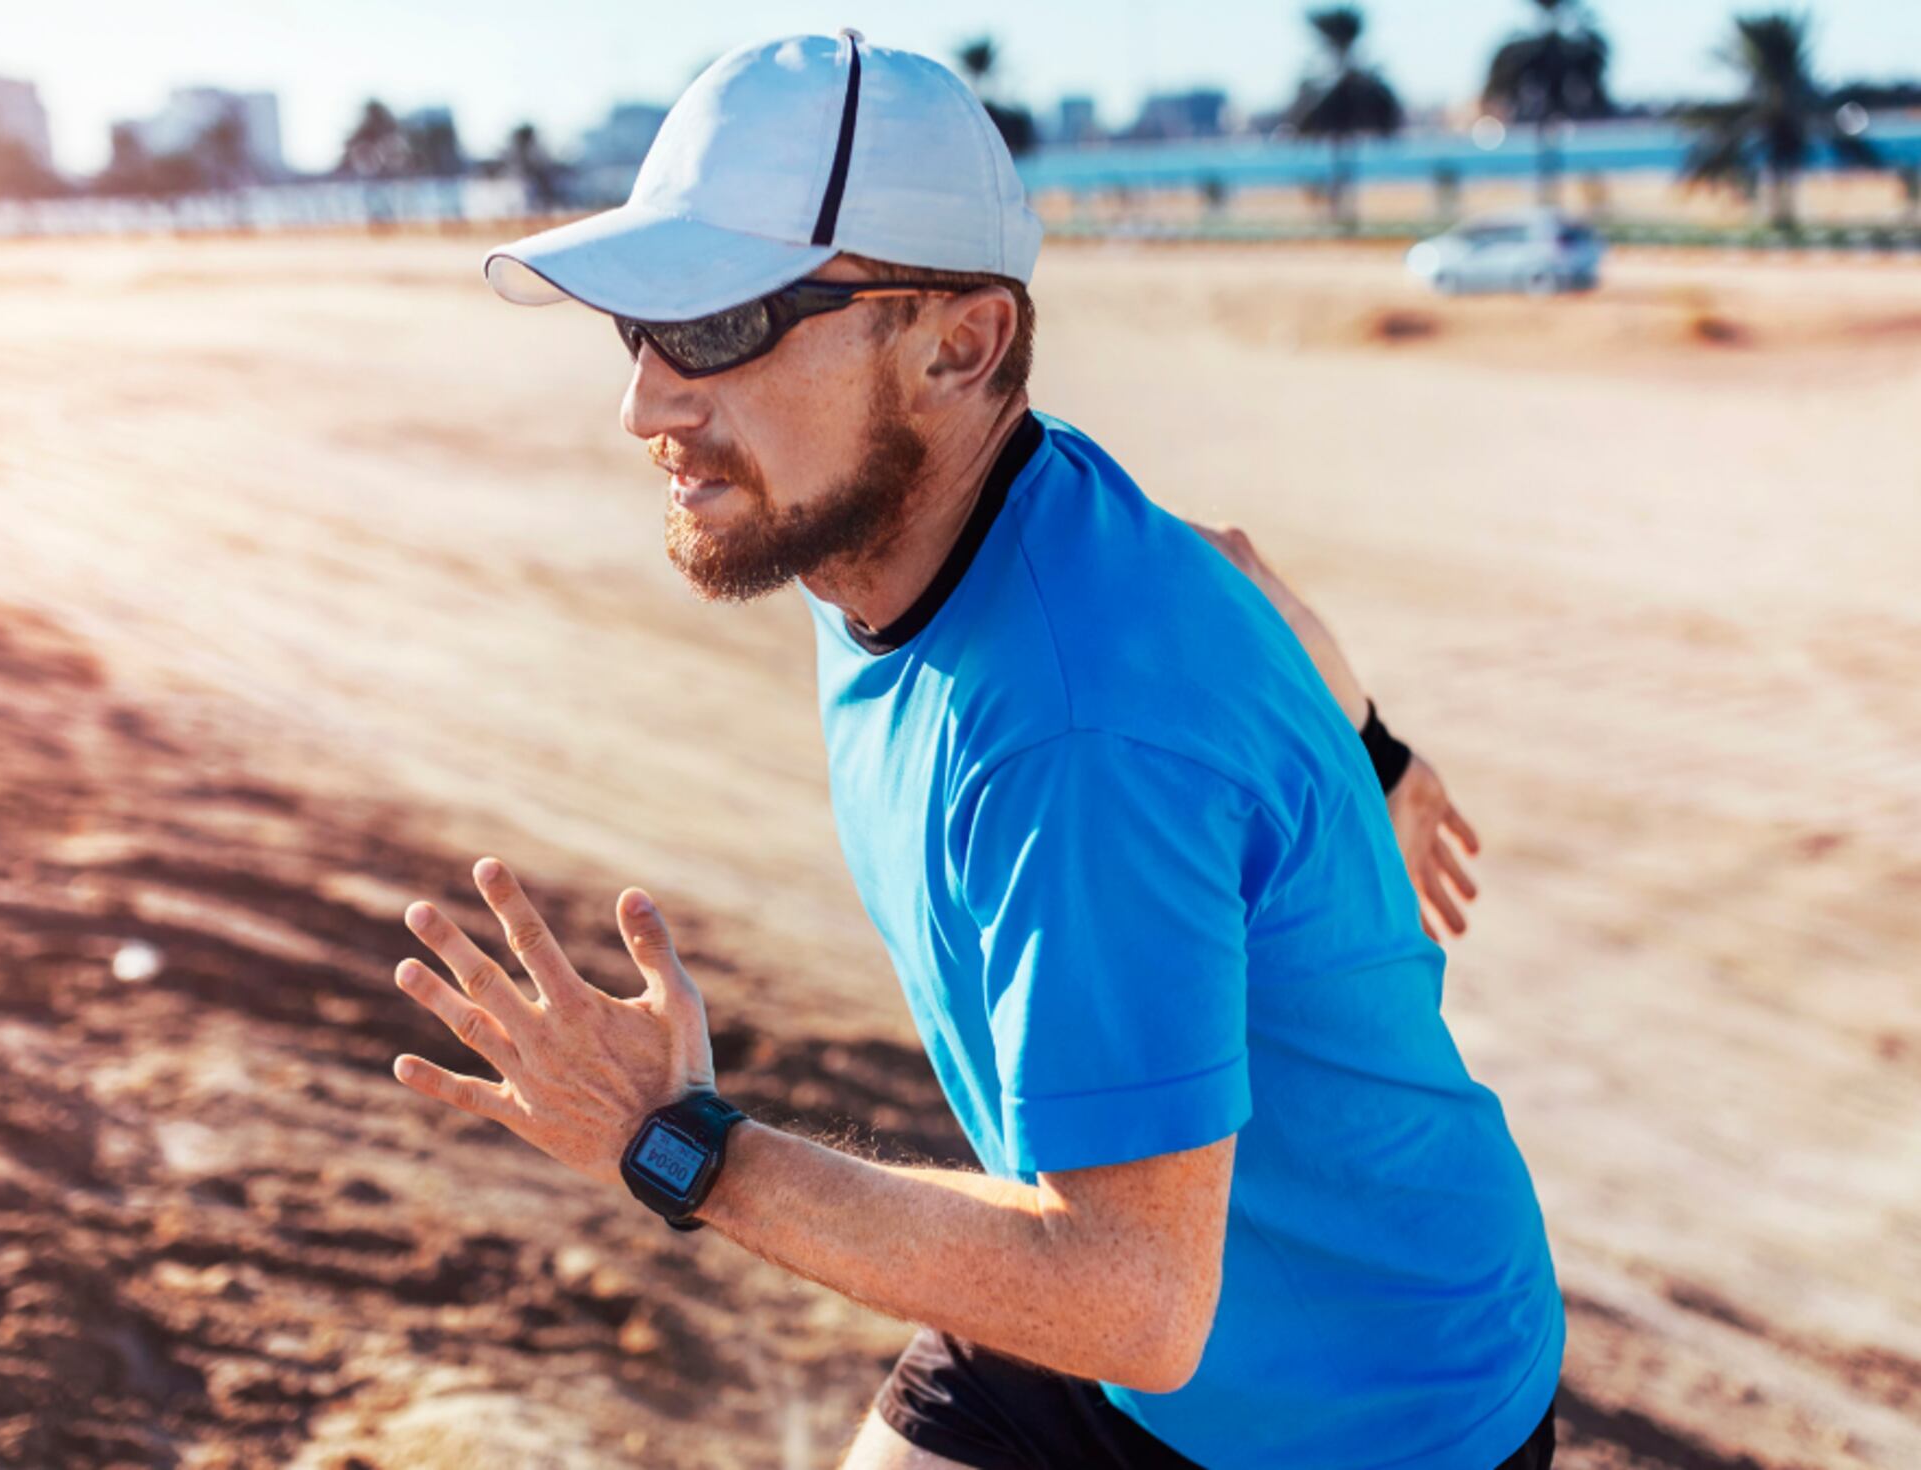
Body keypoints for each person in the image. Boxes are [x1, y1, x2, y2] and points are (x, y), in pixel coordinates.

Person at [389, 31, 1559, 1469]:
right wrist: (1377, 756)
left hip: (1367, 1408)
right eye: (638, 322)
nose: (647, 402)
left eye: (721, 324)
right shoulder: (913, 518)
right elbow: (1229, 560)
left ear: (960, 345)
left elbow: (1135, 1302)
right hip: (1103, 1284)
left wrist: (673, 1138)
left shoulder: (1077, 735)